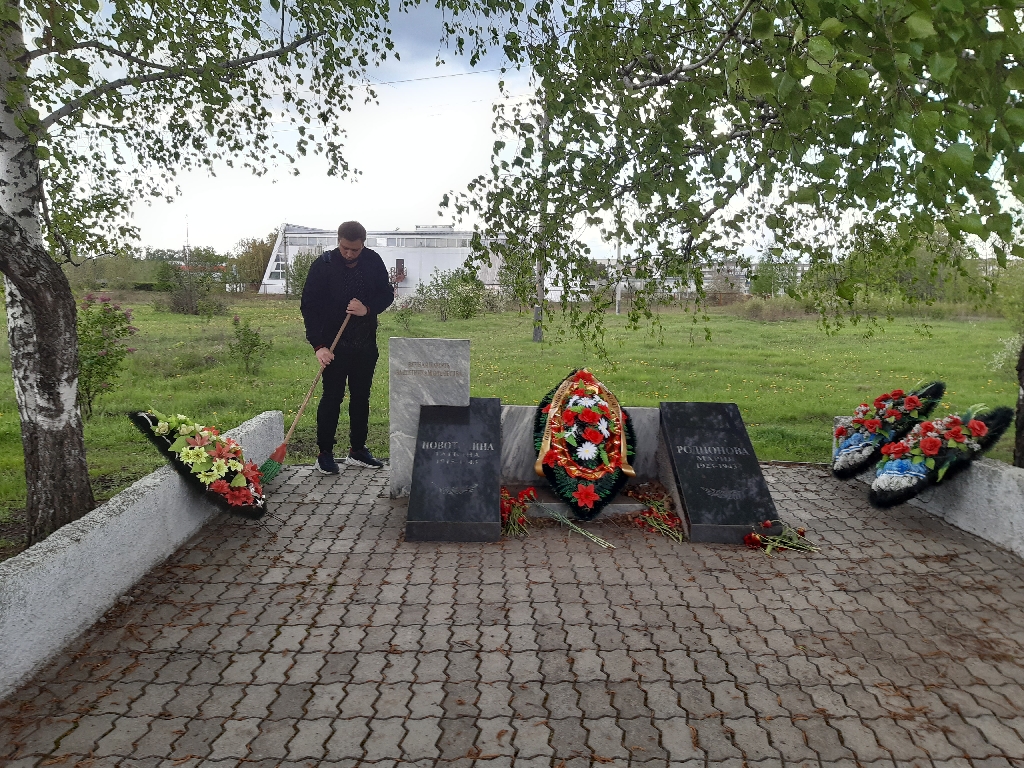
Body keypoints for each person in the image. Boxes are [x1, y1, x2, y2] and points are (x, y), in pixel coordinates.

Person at [300, 221, 394, 472]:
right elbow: (309, 307)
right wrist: (319, 346)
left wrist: (368, 309)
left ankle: (358, 450)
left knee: (361, 397)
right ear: (338, 241)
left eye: (355, 249)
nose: (350, 254)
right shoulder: (324, 265)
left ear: (363, 244)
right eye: (345, 249)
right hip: (333, 345)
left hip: (365, 344)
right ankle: (325, 453)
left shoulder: (373, 261)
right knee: (332, 397)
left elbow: (386, 294)